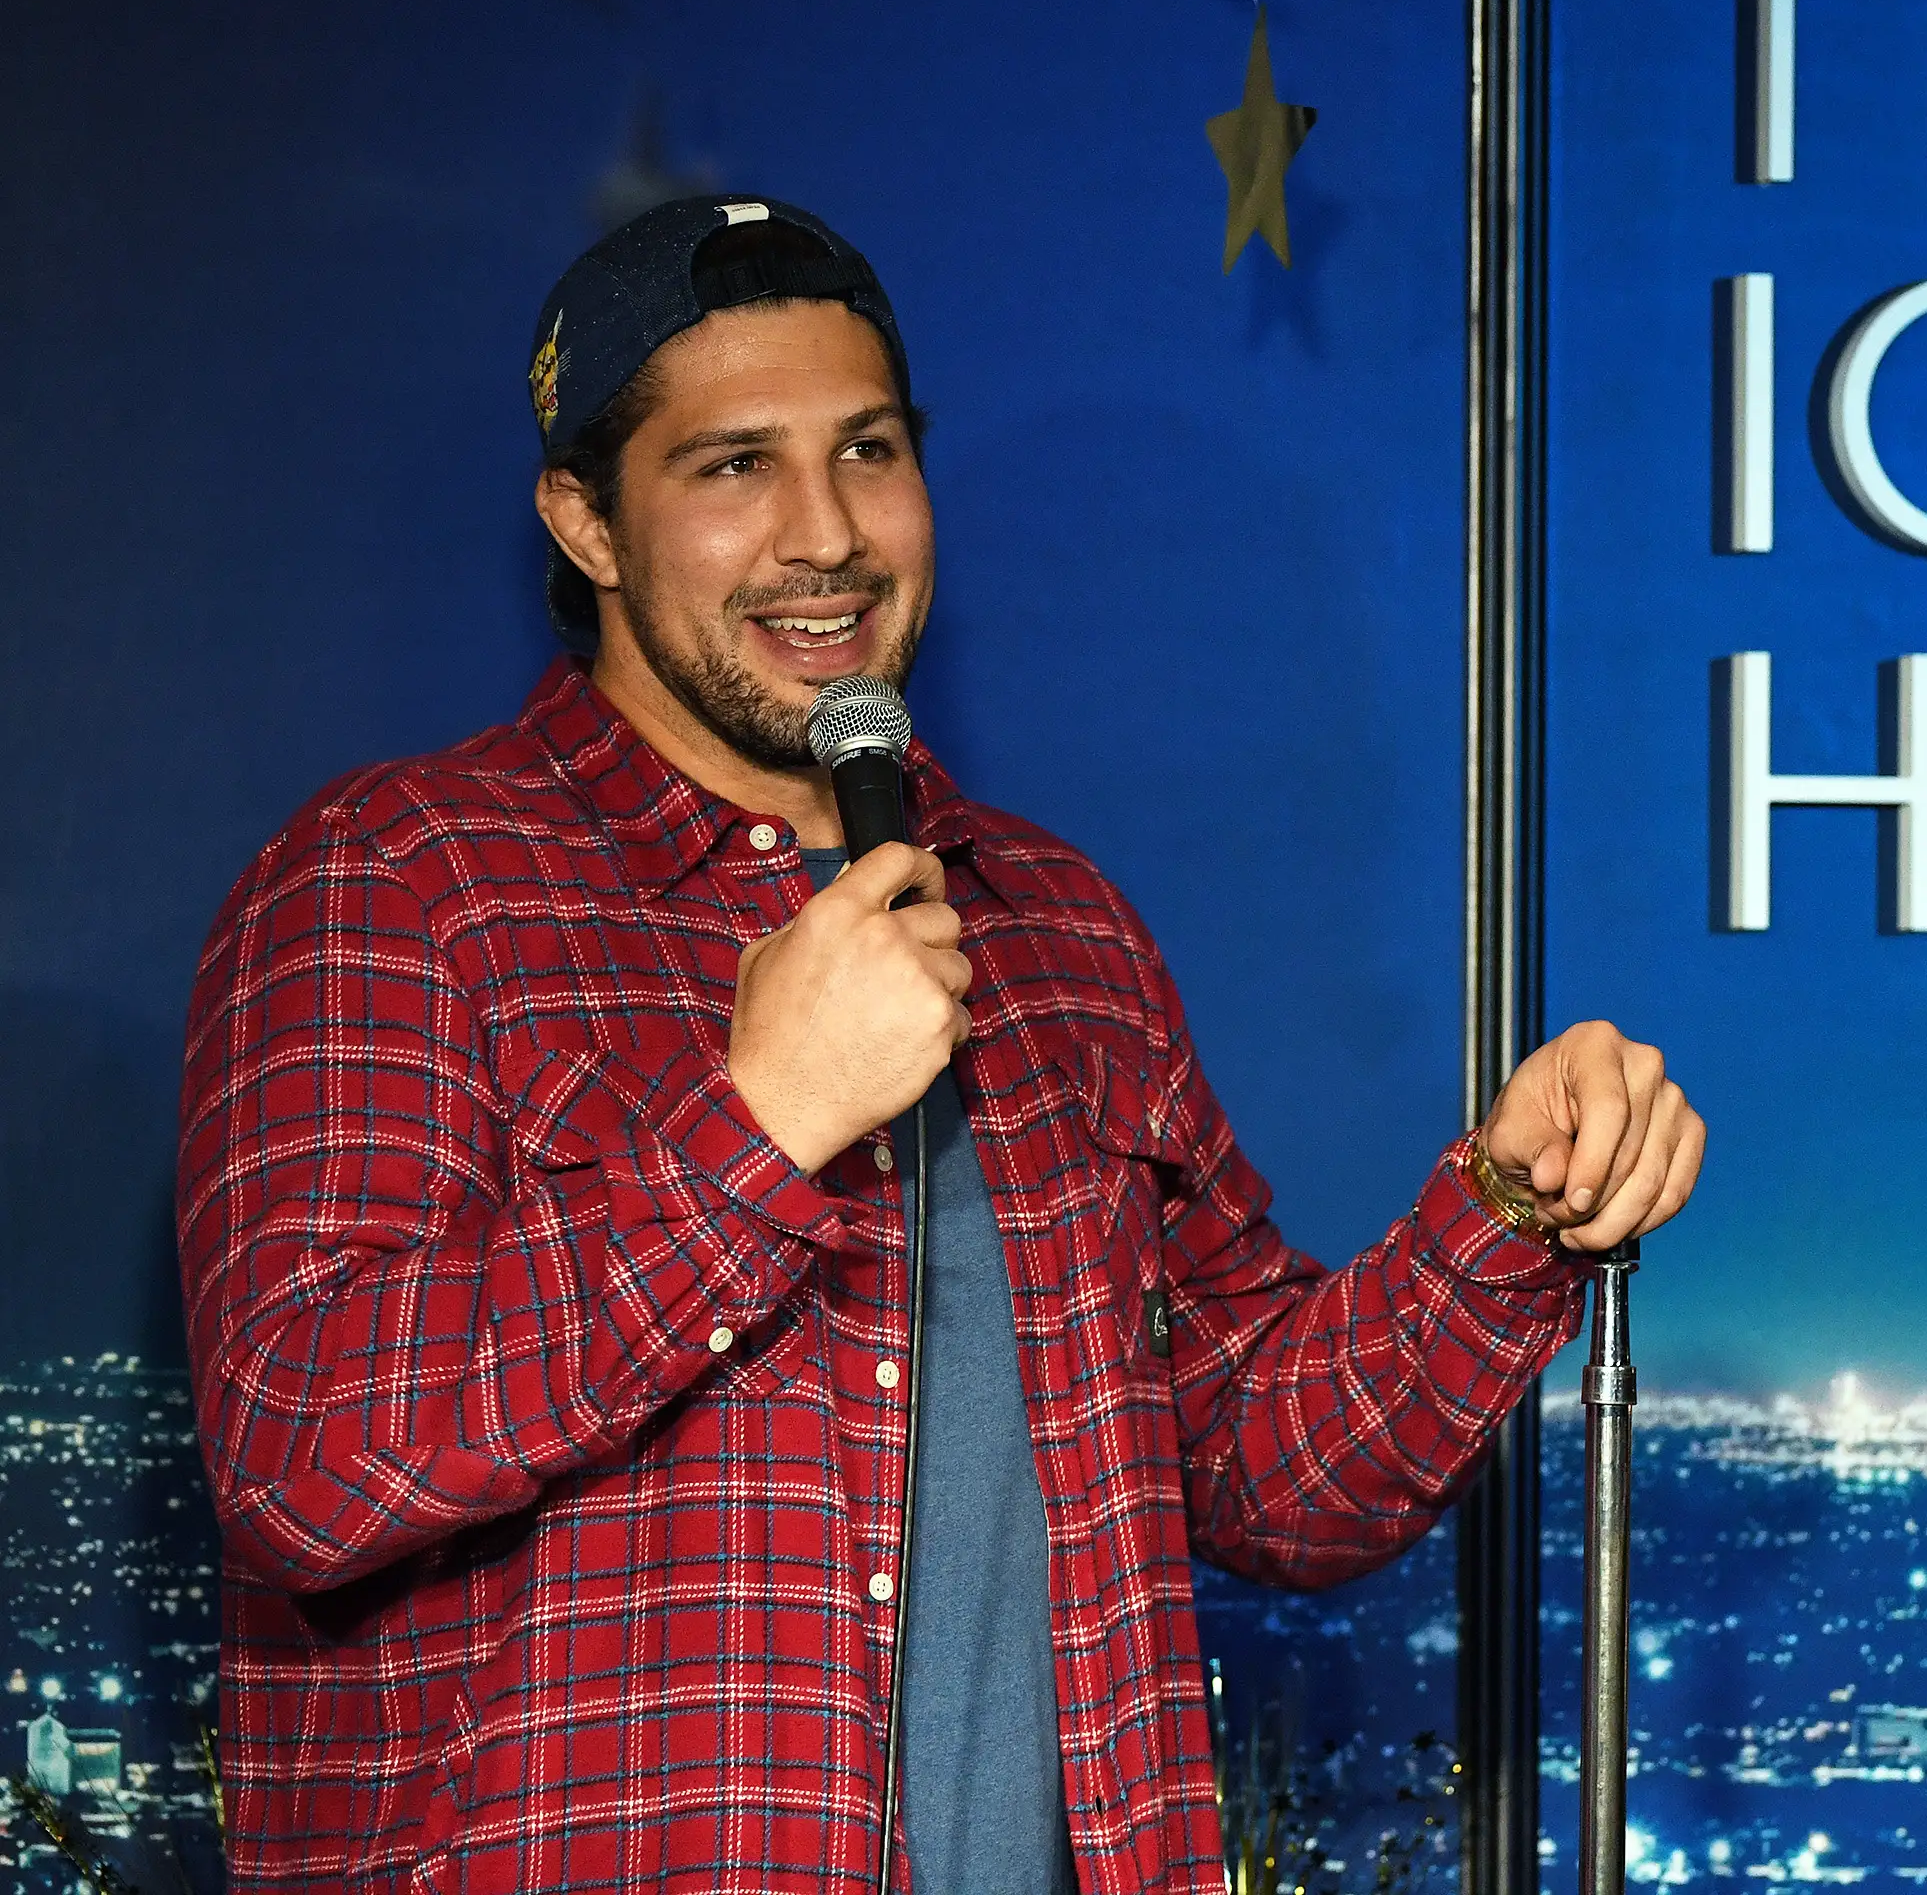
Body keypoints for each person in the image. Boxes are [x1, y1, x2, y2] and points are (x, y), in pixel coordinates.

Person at [175, 195, 1705, 1895]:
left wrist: (1508, 1208)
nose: (823, 534)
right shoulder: (395, 880)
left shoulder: (1058, 927)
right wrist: (758, 1126)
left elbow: (1266, 1474)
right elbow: (302, 1454)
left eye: (870, 450)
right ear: (587, 522)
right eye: (731, 466)